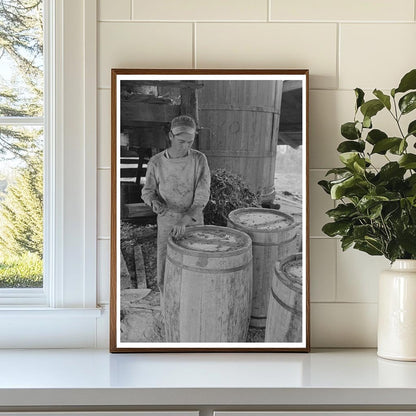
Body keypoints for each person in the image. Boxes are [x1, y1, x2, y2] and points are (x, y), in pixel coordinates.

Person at [141, 115, 211, 295]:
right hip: (167, 220)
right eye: (181, 141)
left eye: (190, 142)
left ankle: (194, 300)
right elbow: (147, 191)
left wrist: (186, 220)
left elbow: (202, 195)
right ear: (171, 136)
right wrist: (154, 202)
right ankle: (167, 300)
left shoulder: (199, 160)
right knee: (166, 264)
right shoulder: (156, 162)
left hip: (193, 218)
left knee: (195, 263)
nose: (186, 146)